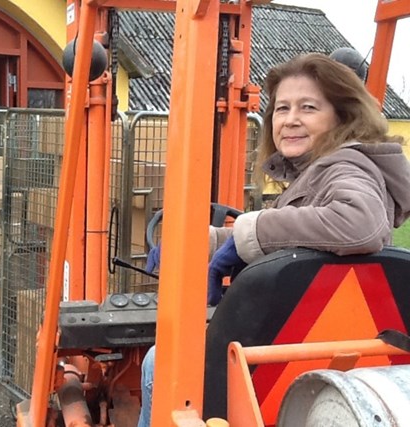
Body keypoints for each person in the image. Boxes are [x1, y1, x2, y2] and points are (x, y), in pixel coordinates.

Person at [138, 52, 410, 426]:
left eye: (308, 107)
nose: (290, 119)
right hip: (320, 346)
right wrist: (211, 241)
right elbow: (301, 238)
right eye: (282, 108)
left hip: (307, 351)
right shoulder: (317, 172)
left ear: (342, 116)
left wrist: (253, 230)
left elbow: (360, 224)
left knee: (159, 361)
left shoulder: (346, 166)